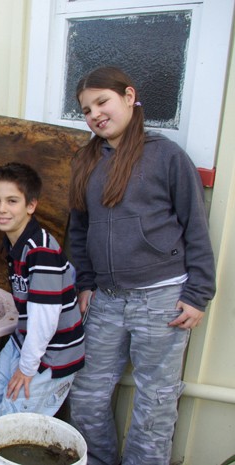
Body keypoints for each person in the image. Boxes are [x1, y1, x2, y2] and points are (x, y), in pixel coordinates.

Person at [67, 66, 216, 465]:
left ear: (129, 97)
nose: (95, 114)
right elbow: (78, 231)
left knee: (155, 403)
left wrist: (198, 294)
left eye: (103, 102)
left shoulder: (166, 155)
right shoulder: (86, 162)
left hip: (162, 300)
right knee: (86, 396)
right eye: (85, 109)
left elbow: (195, 226)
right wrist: (85, 283)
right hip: (106, 300)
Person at [0, 162, 85, 446]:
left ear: (31, 205)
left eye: (12, 201)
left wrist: (26, 369)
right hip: (25, 339)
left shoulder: (41, 251)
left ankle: (2, 455)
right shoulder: (16, 243)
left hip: (52, 353)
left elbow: (45, 320)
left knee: (11, 417)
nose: (1, 209)